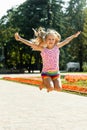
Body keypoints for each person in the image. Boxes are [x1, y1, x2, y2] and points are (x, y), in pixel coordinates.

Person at [14, 28, 81, 92]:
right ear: (45, 40)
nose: (51, 41)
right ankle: (45, 83)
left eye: (53, 39)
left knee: (59, 89)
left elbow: (66, 41)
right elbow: (30, 44)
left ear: (55, 40)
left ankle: (45, 83)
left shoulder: (57, 47)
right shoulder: (43, 49)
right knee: (51, 88)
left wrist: (74, 36)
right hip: (46, 73)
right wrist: (20, 39)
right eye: (49, 39)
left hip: (56, 73)